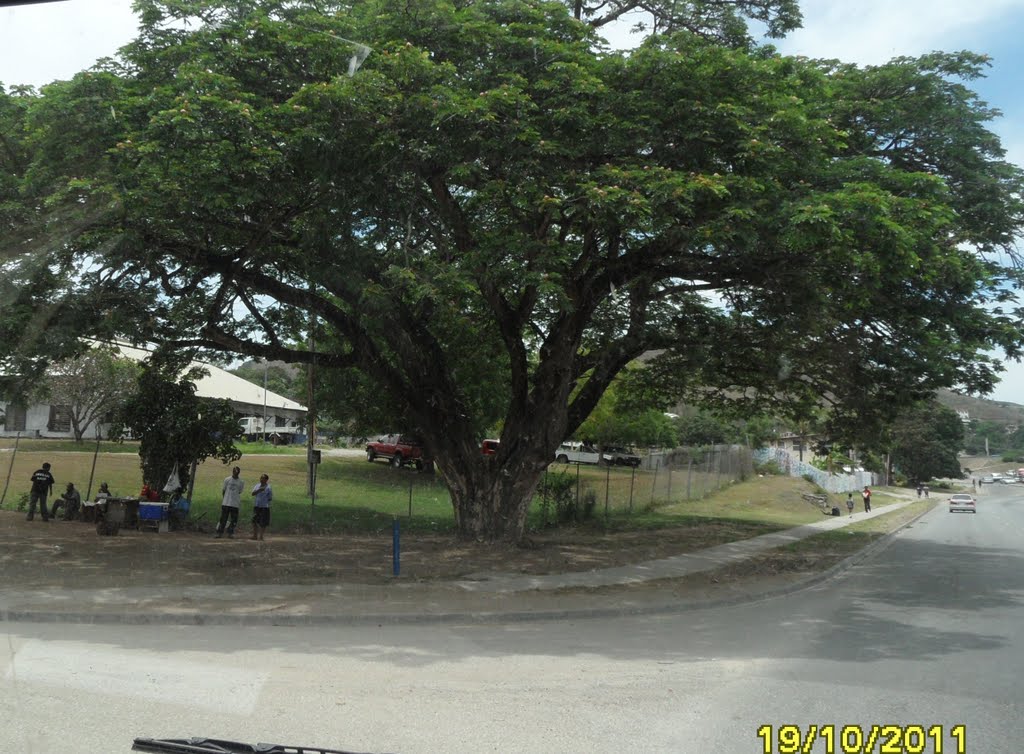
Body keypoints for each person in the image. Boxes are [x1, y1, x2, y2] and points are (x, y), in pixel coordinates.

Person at [216, 466, 245, 538]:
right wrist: (225, 499)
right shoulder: (227, 479)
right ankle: (220, 533)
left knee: (234, 519)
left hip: (235, 503)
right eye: (234, 472)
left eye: (237, 472)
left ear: (239, 472)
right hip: (226, 502)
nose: (236, 473)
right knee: (223, 518)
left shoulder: (241, 482)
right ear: (232, 472)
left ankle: (230, 533)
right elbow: (224, 490)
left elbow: (240, 491)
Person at [250, 473, 273, 541]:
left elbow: (270, 498)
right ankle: (255, 535)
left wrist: (265, 500)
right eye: (261, 478)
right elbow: (252, 493)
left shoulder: (268, 487)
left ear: (266, 480)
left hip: (264, 507)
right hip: (257, 505)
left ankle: (261, 536)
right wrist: (259, 490)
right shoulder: (257, 486)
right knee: (254, 521)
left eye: (263, 478)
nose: (261, 479)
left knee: (263, 522)